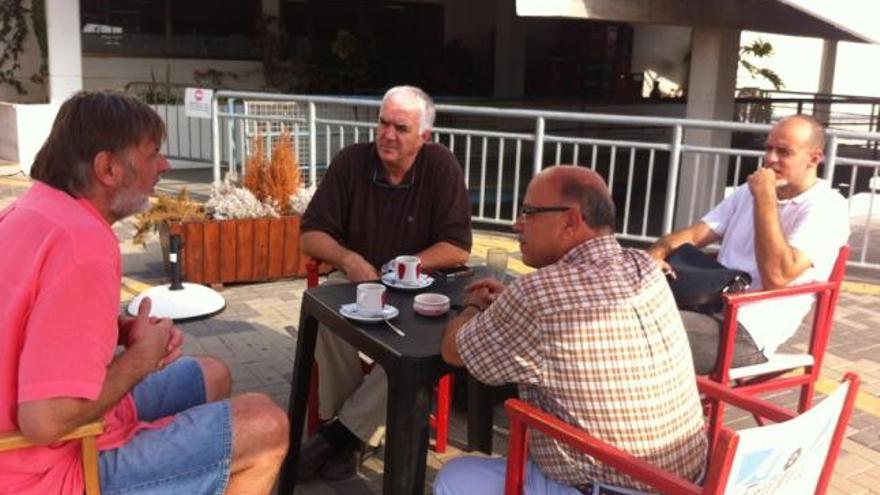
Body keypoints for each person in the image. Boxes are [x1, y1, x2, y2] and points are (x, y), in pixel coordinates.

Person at [0, 91, 289, 495]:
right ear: (108, 168)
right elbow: (44, 421)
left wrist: (114, 331)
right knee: (267, 424)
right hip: (43, 471)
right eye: (153, 153)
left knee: (211, 373)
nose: (164, 165)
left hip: (33, 440)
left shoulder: (31, 209)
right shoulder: (83, 246)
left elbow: (28, 318)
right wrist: (141, 357)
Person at [435, 166, 707, 494]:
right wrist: (512, 304)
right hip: (687, 482)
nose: (516, 224)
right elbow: (586, 320)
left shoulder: (539, 293)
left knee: (455, 478)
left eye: (528, 212)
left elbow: (454, 350)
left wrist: (473, 306)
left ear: (570, 221)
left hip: (605, 486)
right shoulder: (644, 266)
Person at [298, 85, 472, 479]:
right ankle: (355, 433)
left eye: (401, 128)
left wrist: (411, 264)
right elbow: (310, 235)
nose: (388, 135)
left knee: (417, 347)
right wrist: (348, 258)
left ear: (423, 137)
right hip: (358, 279)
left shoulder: (441, 166)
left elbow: (458, 246)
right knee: (325, 310)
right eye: (383, 123)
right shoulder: (352, 162)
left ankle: (338, 435)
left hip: (420, 286)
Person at [647, 115, 850, 375]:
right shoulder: (747, 192)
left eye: (784, 152)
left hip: (749, 329)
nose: (771, 159)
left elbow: (776, 276)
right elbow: (696, 234)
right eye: (768, 149)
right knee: (613, 314)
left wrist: (765, 197)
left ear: (814, 158)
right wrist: (656, 253)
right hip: (708, 303)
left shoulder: (827, 207)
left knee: (633, 333)